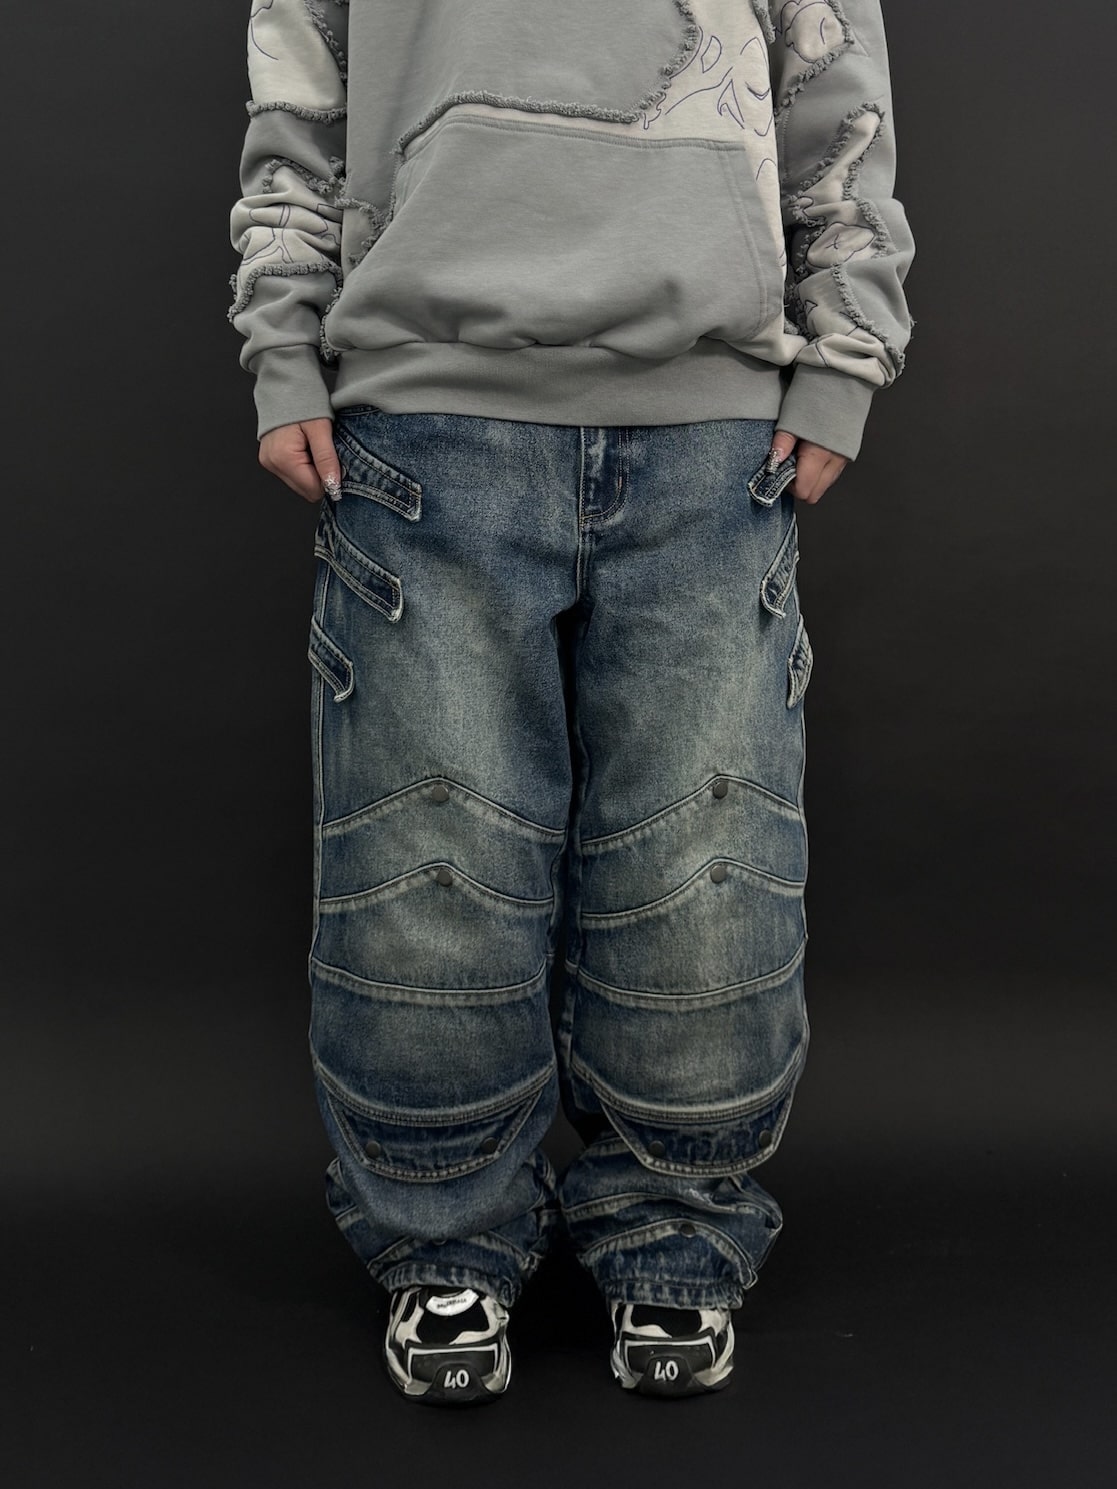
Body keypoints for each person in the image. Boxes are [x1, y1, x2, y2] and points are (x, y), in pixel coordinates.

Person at [227, 0, 914, 1405]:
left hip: (711, 435)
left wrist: (846, 352)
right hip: (423, 418)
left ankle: (676, 1232)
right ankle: (442, 1240)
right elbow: (296, 108)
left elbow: (834, 83)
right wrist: (281, 345)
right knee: (426, 862)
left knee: (703, 862)